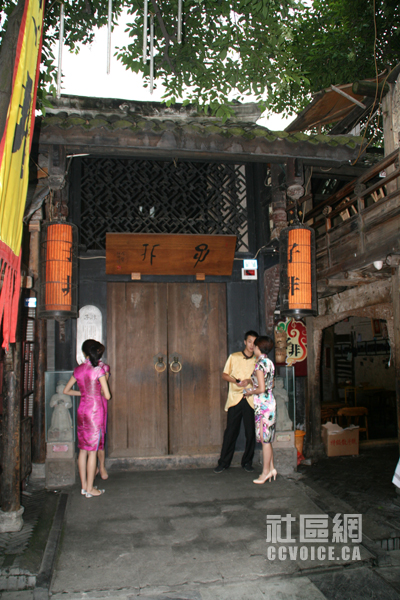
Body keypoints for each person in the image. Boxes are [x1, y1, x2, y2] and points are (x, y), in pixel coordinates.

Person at [63, 339, 111, 498]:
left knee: (83, 449)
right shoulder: (98, 370)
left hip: (82, 410)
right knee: (92, 451)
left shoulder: (78, 370)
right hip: (95, 412)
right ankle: (90, 488)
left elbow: (66, 390)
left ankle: (84, 486)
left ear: (85, 353)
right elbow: (107, 395)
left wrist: (83, 393)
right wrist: (96, 392)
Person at [214, 330, 259, 474]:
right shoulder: (234, 357)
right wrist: (236, 381)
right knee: (231, 432)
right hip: (235, 399)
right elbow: (224, 375)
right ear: (245, 342)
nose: (251, 345)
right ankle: (224, 462)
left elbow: (260, 379)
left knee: (250, 432)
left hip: (250, 399)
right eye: (249, 341)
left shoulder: (257, 360)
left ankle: (247, 462)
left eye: (254, 343)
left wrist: (250, 381)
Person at [243, 336, 276, 484]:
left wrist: (250, 392)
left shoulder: (259, 365)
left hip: (263, 404)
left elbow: (261, 389)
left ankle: (265, 472)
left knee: (265, 440)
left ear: (258, 348)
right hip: (269, 402)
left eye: (255, 346)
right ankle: (272, 468)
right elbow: (271, 384)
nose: (253, 348)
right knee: (267, 438)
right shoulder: (269, 363)